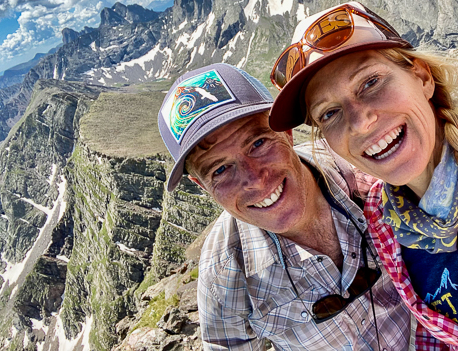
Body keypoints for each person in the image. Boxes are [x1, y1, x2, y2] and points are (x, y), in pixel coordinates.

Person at [268, 1, 458, 351]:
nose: (360, 122)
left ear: (421, 77)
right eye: (329, 114)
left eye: (370, 81)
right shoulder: (384, 219)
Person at [157, 63, 412, 350]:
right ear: (203, 186)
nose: (255, 179)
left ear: (287, 133)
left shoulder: (365, 172)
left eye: (258, 143)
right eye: (220, 170)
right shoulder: (225, 271)